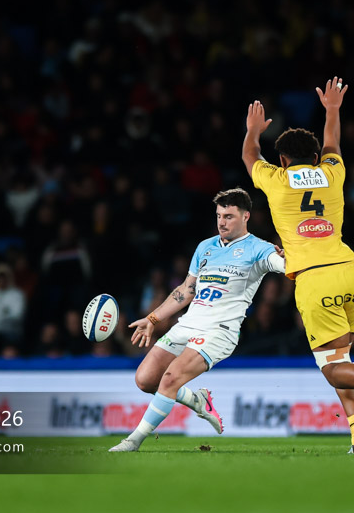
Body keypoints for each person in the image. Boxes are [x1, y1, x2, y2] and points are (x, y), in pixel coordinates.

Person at [243, 77, 354, 453]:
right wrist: (332, 110)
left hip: (316, 280)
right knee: (342, 359)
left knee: (332, 367)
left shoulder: (277, 180)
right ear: (316, 157)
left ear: (283, 160)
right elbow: (333, 143)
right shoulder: (333, 172)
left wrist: (253, 130)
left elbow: (250, 157)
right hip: (352, 272)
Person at [110, 189, 284, 452]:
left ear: (246, 216)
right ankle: (197, 400)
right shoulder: (205, 247)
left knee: (170, 378)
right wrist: (153, 318)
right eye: (219, 216)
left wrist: (287, 259)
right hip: (188, 324)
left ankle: (133, 441)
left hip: (219, 331)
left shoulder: (259, 248)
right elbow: (186, 290)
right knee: (145, 380)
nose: (222, 222)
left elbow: (284, 265)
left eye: (228, 216)